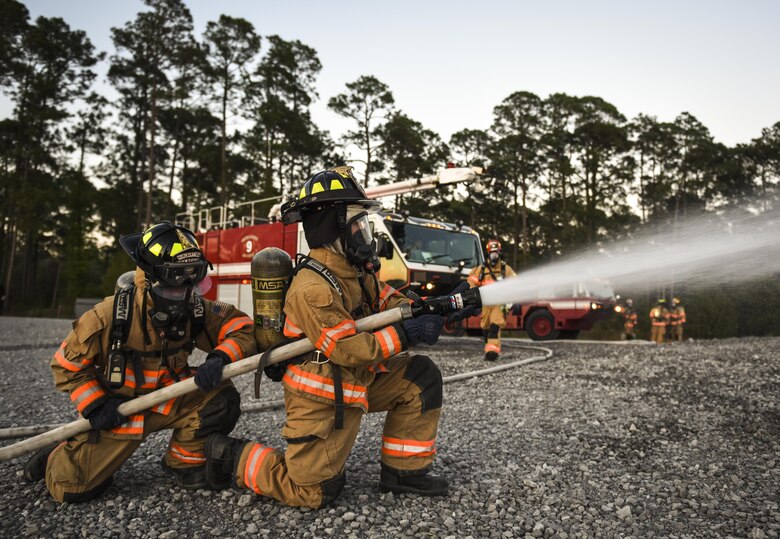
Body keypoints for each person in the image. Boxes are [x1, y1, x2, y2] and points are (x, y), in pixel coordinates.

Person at [203, 166, 450, 508]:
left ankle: (403, 473)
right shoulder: (312, 286)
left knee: (420, 378)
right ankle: (230, 455)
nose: (365, 235)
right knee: (313, 492)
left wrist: (432, 308)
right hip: (321, 395)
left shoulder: (351, 271)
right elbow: (348, 348)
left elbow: (386, 299)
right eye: (358, 226)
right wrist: (406, 335)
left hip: (354, 380)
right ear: (333, 228)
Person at [22, 221, 257, 503]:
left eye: (190, 286)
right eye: (172, 288)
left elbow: (241, 327)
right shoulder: (108, 316)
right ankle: (57, 453)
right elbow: (66, 366)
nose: (182, 297)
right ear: (149, 279)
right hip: (121, 411)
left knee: (221, 400)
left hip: (170, 398)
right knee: (71, 489)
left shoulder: (192, 305)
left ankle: (183, 461)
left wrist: (221, 356)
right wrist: (96, 404)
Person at [467, 240, 515, 361]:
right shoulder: (482, 269)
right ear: (488, 254)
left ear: (500, 253)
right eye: (492, 253)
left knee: (494, 326)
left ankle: (492, 352)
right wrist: (474, 295)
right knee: (485, 328)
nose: (494, 256)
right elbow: (471, 281)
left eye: (496, 253)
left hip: (499, 303)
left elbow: (515, 283)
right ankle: (488, 348)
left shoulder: (505, 269)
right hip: (485, 304)